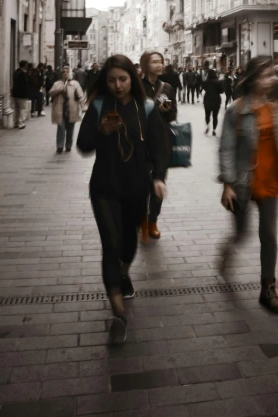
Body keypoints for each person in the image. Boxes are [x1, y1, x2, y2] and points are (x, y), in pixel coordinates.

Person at [77, 55, 168, 345]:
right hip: (105, 186)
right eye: (112, 80)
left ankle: (123, 273)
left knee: (128, 244)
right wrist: (100, 132)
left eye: (123, 79)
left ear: (133, 78)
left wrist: (158, 178)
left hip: (137, 187)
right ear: (105, 81)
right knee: (111, 244)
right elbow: (82, 145)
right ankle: (118, 311)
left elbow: (160, 146)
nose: (117, 85)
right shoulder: (99, 106)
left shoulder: (148, 108)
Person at [219, 56, 278, 314]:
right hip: (243, 182)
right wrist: (227, 183)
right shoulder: (236, 110)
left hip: (270, 181)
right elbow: (226, 148)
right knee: (242, 233)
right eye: (264, 75)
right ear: (251, 79)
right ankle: (227, 252)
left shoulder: (274, 108)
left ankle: (268, 288)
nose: (271, 79)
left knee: (269, 235)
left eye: (272, 74)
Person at [140, 50, 177, 239]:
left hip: (162, 142)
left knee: (159, 182)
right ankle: (142, 220)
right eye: (154, 62)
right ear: (146, 64)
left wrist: (166, 108)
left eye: (160, 61)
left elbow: (172, 116)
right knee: (142, 185)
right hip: (141, 142)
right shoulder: (136, 86)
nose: (159, 65)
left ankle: (153, 220)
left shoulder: (167, 88)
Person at [49, 66, 86, 153]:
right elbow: (50, 93)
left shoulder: (75, 84)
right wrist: (60, 88)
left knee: (70, 129)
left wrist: (83, 106)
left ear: (70, 73)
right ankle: (60, 146)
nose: (65, 73)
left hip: (71, 109)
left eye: (67, 72)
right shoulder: (57, 83)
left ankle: (68, 145)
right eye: (64, 72)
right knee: (61, 128)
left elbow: (81, 95)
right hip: (59, 109)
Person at [203, 68, 223, 135]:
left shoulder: (206, 82)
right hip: (216, 100)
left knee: (207, 114)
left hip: (207, 99)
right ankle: (214, 130)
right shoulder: (217, 82)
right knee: (215, 116)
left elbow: (204, 88)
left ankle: (208, 125)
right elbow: (221, 91)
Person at [11, 60, 30, 129]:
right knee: (23, 108)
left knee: (16, 109)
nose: (27, 66)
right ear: (24, 65)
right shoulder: (23, 74)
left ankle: (15, 122)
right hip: (22, 94)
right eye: (27, 65)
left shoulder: (15, 72)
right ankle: (21, 123)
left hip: (15, 93)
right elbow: (25, 84)